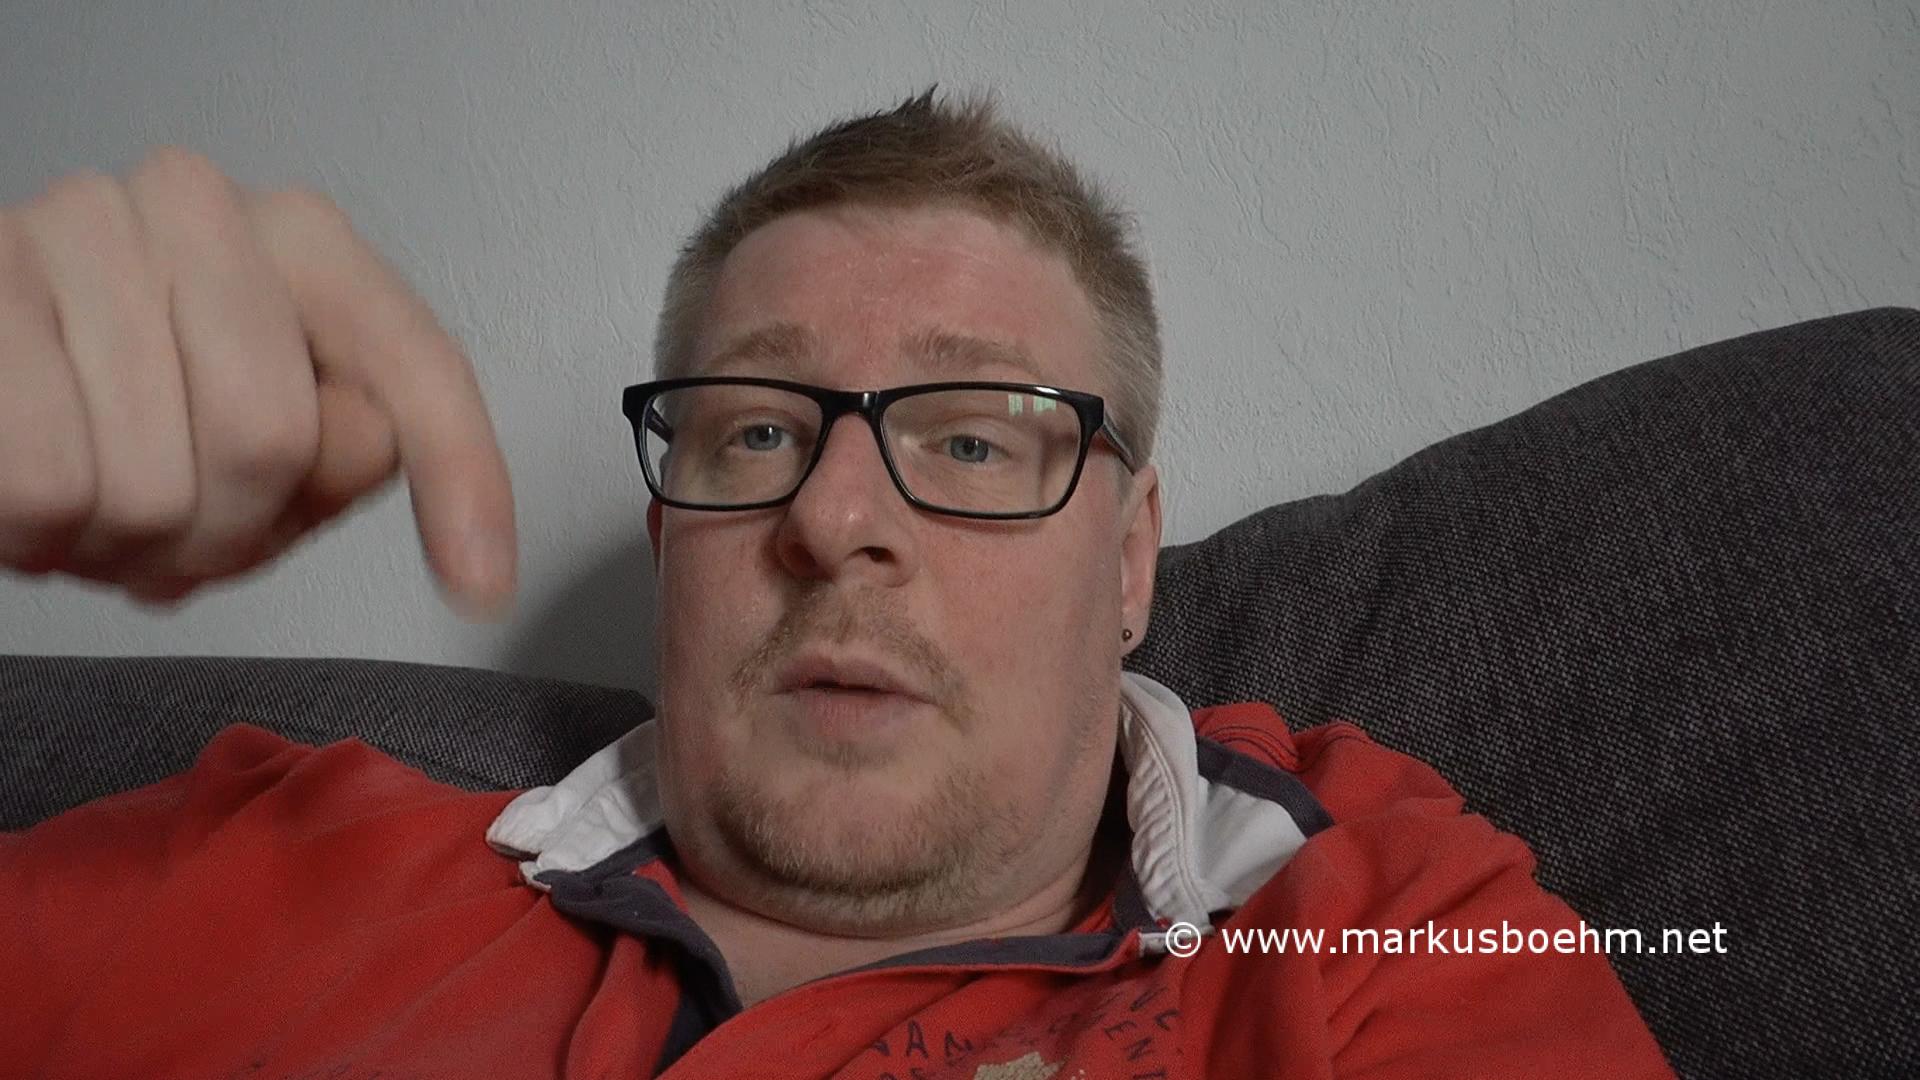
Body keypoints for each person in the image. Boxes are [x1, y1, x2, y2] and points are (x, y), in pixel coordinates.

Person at [0, 89, 1675, 1078]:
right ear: (671, 546)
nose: (834, 517)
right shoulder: (273, 865)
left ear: (1128, 561)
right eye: (755, 432)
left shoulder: (1379, 925)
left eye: (973, 439)